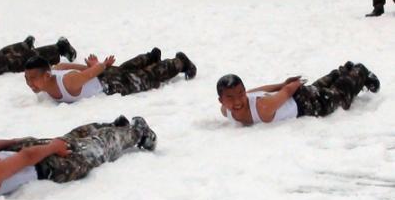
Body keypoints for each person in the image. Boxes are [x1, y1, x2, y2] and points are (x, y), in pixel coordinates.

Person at [0, 115, 156, 196]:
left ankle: (136, 132)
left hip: (48, 164)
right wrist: (14, 142)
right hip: (20, 149)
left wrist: (52, 147)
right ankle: (109, 126)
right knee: (68, 138)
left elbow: (27, 157)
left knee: (96, 150)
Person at [217, 62, 380, 125]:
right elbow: (258, 90)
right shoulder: (225, 111)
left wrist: (290, 84)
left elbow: (288, 91)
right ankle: (342, 71)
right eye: (230, 97)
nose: (238, 101)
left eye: (240, 94)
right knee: (318, 88)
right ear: (221, 101)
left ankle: (359, 71)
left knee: (339, 96)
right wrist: (280, 85)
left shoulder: (262, 108)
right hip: (293, 97)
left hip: (307, 103)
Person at [23, 47, 196, 103]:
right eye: (26, 79)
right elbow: (73, 66)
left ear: (46, 75)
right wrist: (91, 67)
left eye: (32, 79)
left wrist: (98, 66)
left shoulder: (69, 82)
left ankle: (180, 62)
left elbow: (94, 71)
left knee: (147, 78)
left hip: (110, 83)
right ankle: (150, 57)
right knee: (124, 69)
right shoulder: (58, 68)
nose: (30, 83)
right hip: (103, 75)